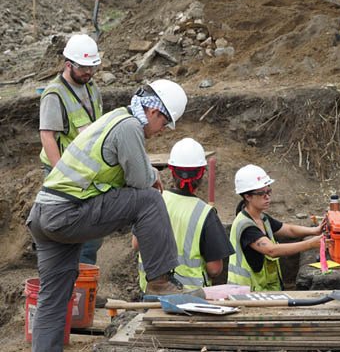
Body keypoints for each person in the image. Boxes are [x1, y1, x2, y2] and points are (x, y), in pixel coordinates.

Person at [26, 79, 188, 352]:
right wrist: (153, 174)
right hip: (68, 212)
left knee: (53, 298)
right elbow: (139, 180)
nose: (162, 131)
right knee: (149, 199)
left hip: (44, 214)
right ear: (153, 112)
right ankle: (160, 281)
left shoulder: (115, 118)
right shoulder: (129, 127)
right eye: (164, 124)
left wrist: (148, 172)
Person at [132, 138, 234, 292]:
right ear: (201, 173)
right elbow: (214, 269)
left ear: (171, 170)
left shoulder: (152, 201)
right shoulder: (205, 213)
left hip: (151, 290)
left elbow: (136, 244)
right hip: (190, 297)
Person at [38, 34, 104, 265]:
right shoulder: (55, 94)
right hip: (65, 173)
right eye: (84, 68)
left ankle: (84, 286)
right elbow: (47, 135)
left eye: (92, 68)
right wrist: (60, 174)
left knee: (92, 235)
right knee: (69, 232)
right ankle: (72, 286)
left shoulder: (91, 86)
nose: (89, 73)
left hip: (86, 171)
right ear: (69, 65)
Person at [227, 164, 328, 291]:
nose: (267, 196)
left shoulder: (262, 218)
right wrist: (310, 244)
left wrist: (314, 230)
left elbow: (288, 230)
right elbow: (272, 250)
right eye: (261, 193)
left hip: (264, 290)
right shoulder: (246, 226)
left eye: (268, 191)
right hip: (247, 293)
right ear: (247, 196)